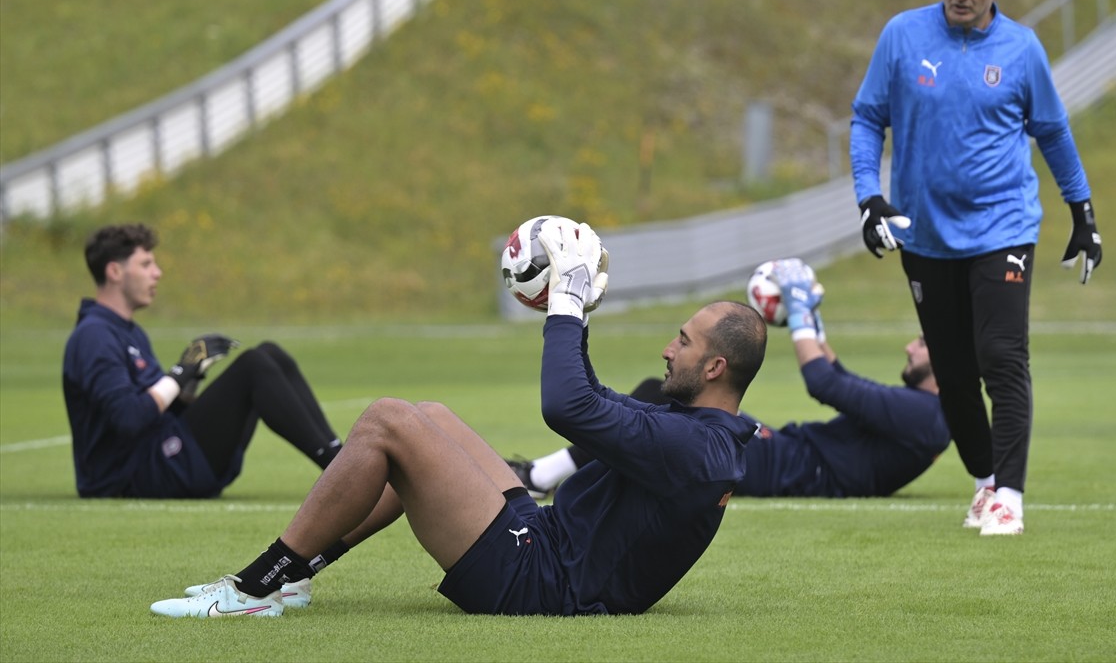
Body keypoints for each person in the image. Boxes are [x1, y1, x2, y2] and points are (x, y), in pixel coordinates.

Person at [148, 220, 768, 618]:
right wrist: (569, 309)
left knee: (389, 421)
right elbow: (594, 402)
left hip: (540, 585)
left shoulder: (701, 451)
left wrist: (570, 304)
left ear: (715, 367)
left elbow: (567, 405)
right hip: (545, 546)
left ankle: (254, 589)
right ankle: (296, 576)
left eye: (682, 342)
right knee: (429, 418)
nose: (668, 348)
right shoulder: (701, 432)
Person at [848, 0, 1103, 535]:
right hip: (926, 234)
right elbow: (866, 119)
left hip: (1003, 226)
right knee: (954, 372)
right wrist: (869, 199)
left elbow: (1054, 132)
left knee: (1002, 356)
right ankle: (987, 482)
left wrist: (1083, 212)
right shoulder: (902, 36)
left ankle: (1009, 497)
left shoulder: (1022, 48)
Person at [509, 258, 950, 500]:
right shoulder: (923, 414)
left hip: (783, 467)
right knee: (656, 403)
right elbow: (840, 375)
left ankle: (540, 476)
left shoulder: (928, 415)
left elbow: (823, 382)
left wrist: (798, 315)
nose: (910, 348)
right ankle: (542, 476)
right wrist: (811, 320)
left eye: (922, 344)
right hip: (784, 455)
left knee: (658, 406)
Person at [62, 223, 343, 500]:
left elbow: (162, 409)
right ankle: (343, 476)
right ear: (114, 271)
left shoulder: (129, 331)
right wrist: (180, 371)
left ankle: (341, 459)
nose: (157, 274)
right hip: (133, 475)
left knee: (271, 354)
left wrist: (192, 377)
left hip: (159, 457)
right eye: (146, 264)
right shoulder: (94, 336)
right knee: (253, 366)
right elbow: (130, 418)